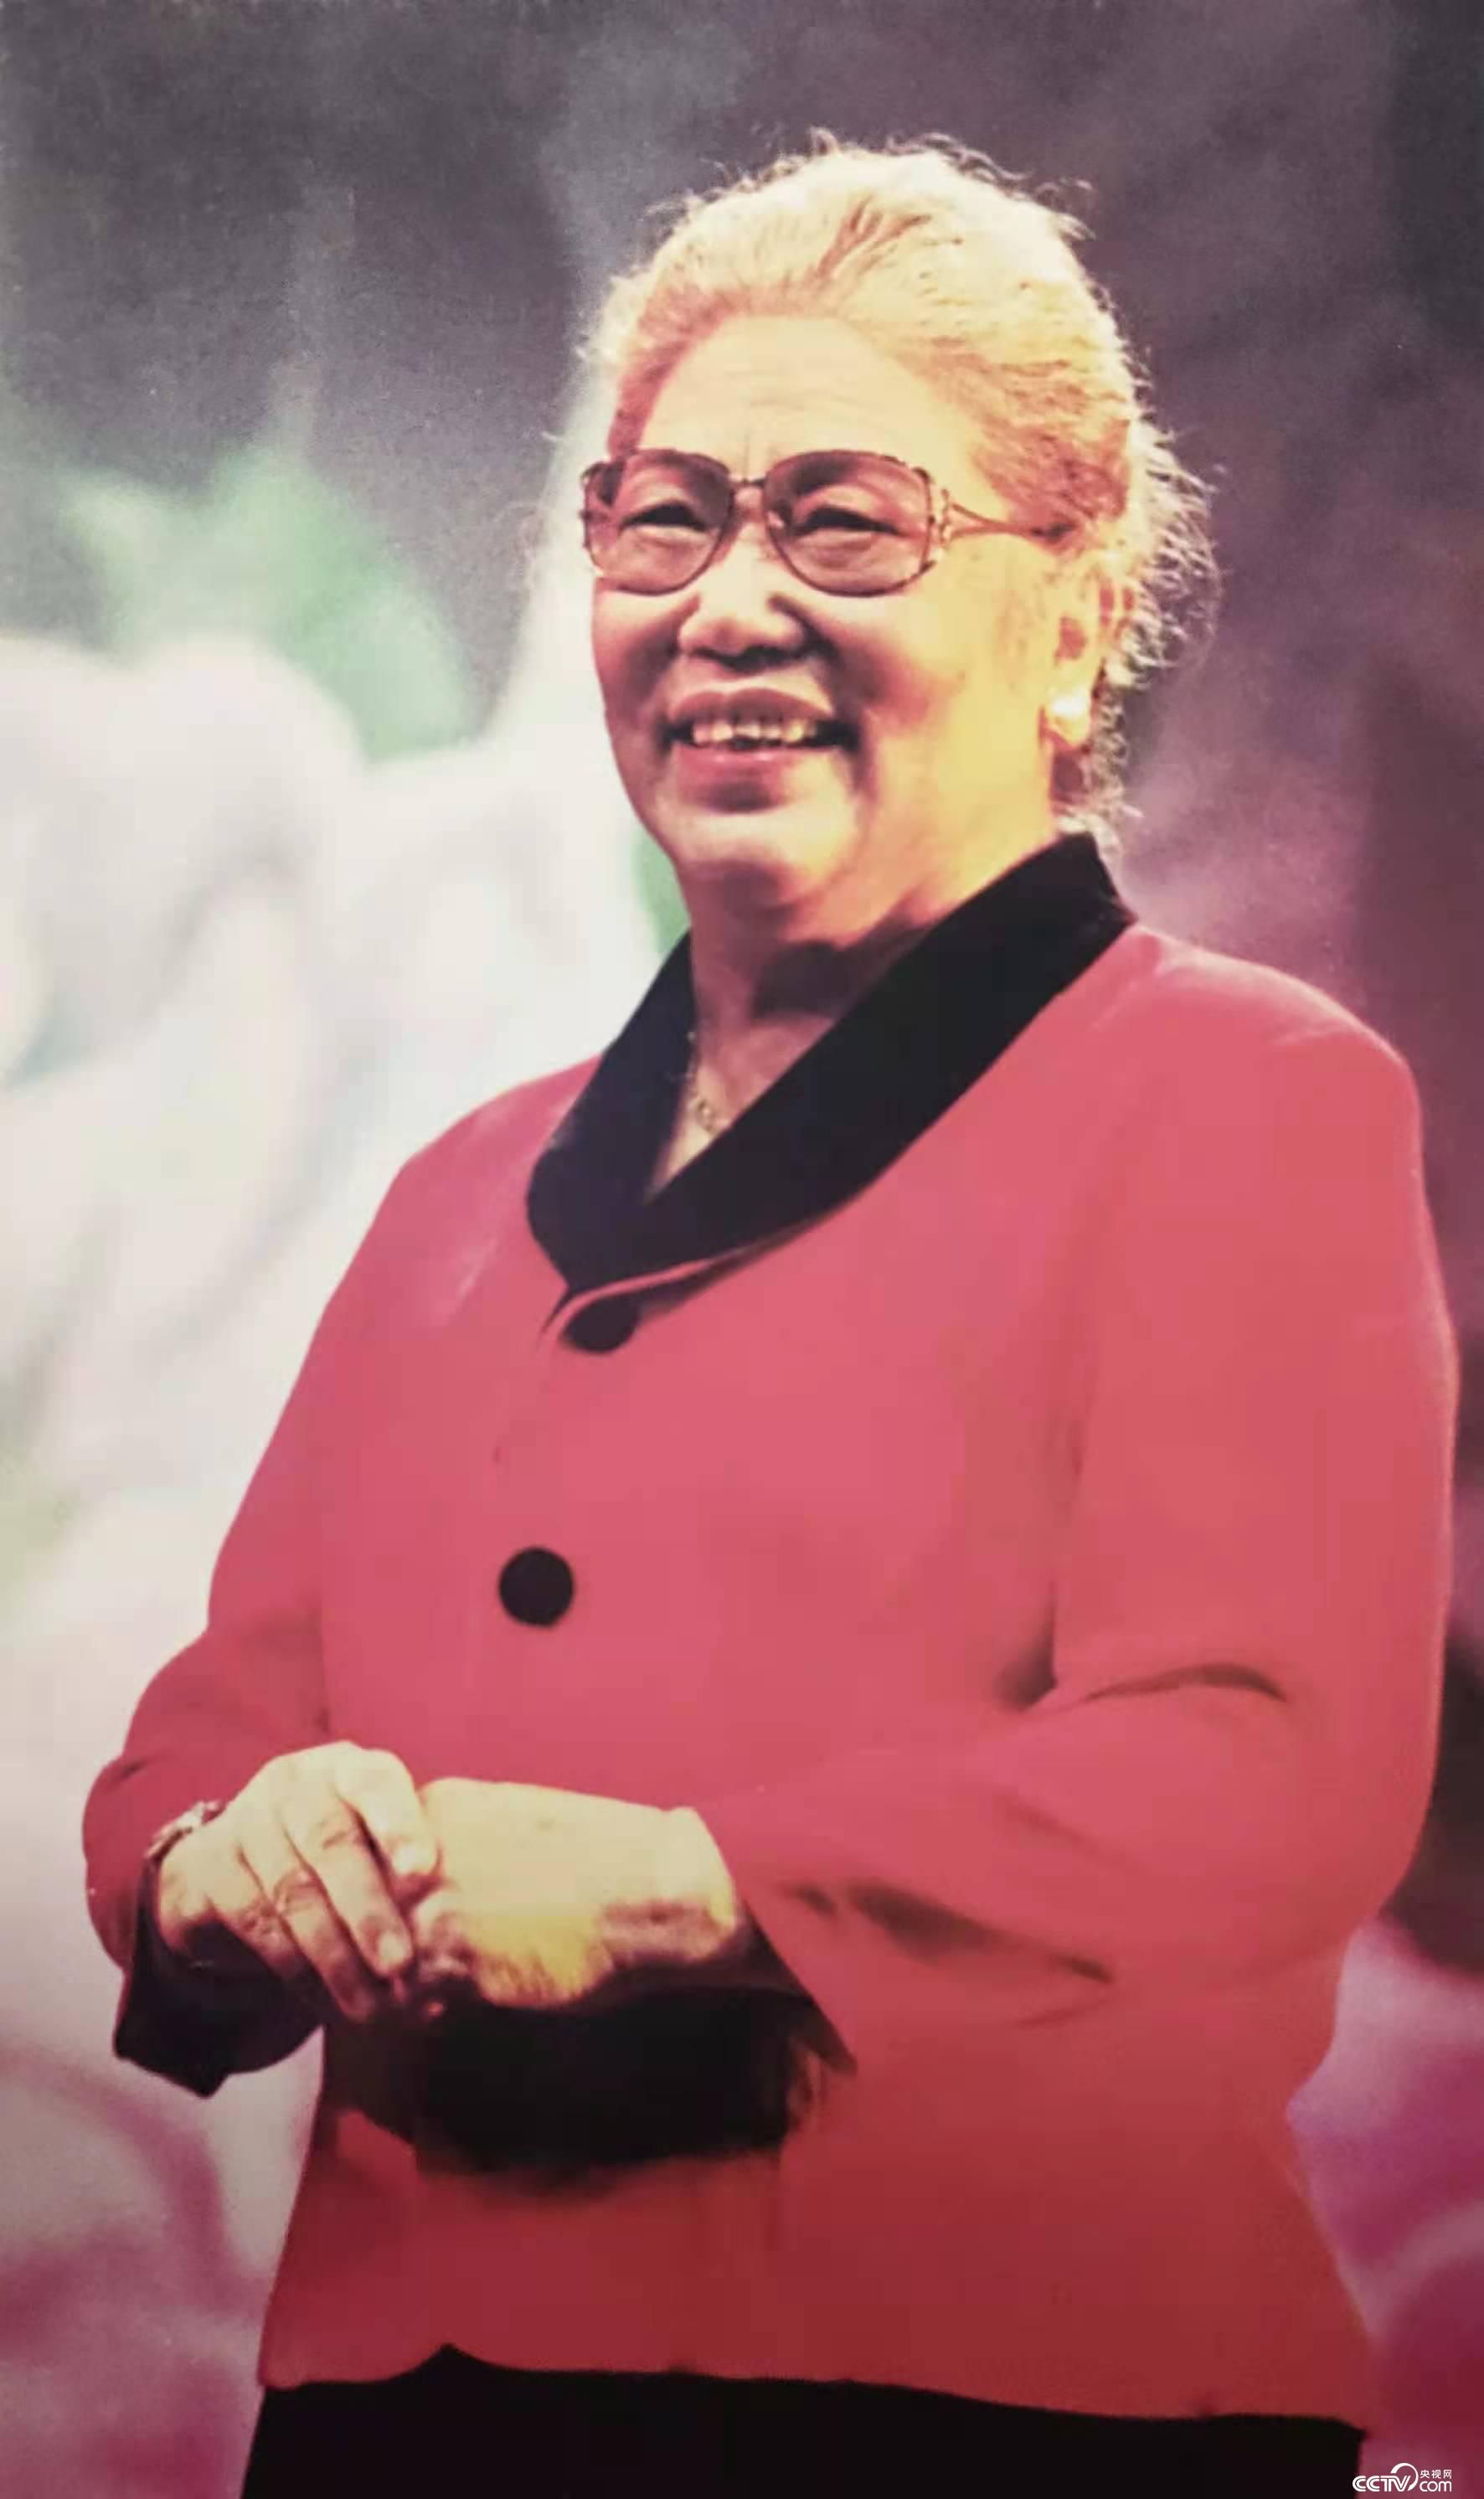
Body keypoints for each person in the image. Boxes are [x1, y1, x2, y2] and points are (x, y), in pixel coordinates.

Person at [83, 138, 1456, 2495]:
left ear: (1075, 612)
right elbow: (221, 1724)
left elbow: (1254, 1768)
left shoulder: (1242, 1098)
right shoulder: (460, 1185)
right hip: (413, 2418)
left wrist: (678, 1893)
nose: (728, 602)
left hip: (981, 2412)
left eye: (843, 525)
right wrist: (229, 1860)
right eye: (662, 525)